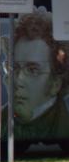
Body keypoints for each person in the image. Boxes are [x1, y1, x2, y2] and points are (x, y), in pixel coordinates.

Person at [12, 11, 69, 145]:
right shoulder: (0, 123)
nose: (18, 80)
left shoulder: (63, 129)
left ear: (55, 83)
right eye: (15, 68)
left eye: (32, 70)